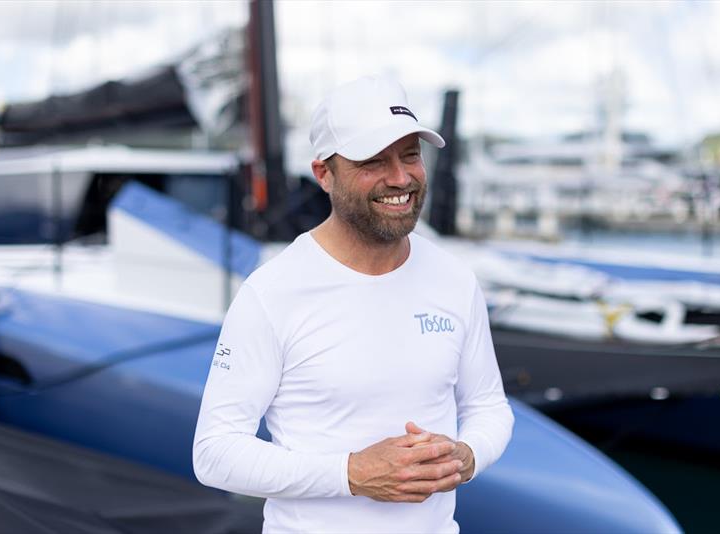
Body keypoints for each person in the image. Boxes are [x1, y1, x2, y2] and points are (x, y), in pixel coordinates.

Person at [193, 75, 514, 533]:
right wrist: (352, 473)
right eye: (373, 161)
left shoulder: (455, 280)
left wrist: (468, 456)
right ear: (323, 173)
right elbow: (215, 452)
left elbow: (489, 408)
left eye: (410, 155)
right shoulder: (272, 293)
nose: (400, 178)